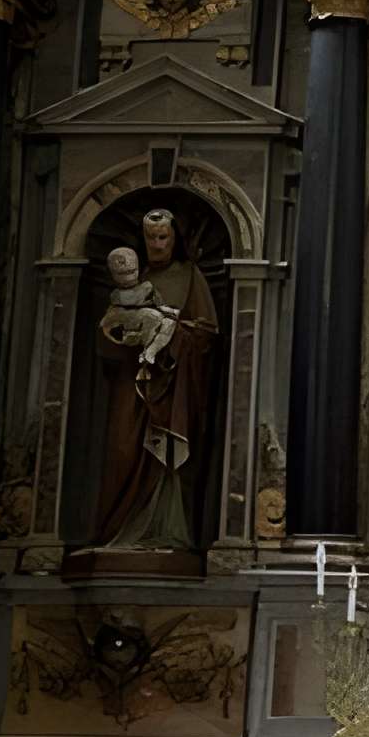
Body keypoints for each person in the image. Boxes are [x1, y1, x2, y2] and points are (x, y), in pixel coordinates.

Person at [93, 207, 218, 554]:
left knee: (166, 457)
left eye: (163, 237)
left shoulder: (190, 276)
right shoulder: (133, 281)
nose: (157, 244)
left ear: (175, 239)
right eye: (150, 238)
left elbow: (206, 333)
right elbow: (106, 336)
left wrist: (172, 336)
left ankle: (165, 532)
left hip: (171, 385)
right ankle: (118, 531)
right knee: (122, 448)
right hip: (130, 384)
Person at [100, 245, 179, 368]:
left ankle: (151, 352)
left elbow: (160, 304)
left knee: (170, 321)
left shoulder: (147, 287)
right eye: (122, 273)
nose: (129, 277)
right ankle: (150, 353)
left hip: (145, 318)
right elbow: (127, 306)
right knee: (153, 316)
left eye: (131, 271)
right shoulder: (116, 294)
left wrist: (169, 310)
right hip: (125, 320)